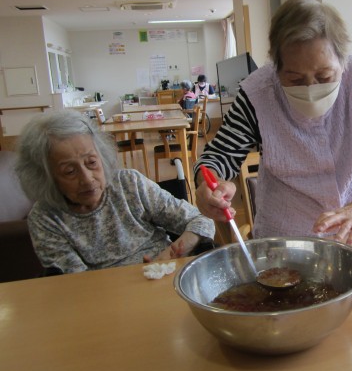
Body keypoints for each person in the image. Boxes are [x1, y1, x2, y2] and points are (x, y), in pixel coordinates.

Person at [194, 0, 352, 245]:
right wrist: (208, 185)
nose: (311, 88)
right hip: (287, 238)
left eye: (325, 76)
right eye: (295, 79)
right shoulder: (257, 93)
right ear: (276, 69)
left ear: (342, 61)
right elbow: (217, 157)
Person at [15, 110, 216, 274]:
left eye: (91, 162)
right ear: (45, 177)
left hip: (167, 276)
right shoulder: (45, 218)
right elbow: (77, 285)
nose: (87, 178)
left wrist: (176, 250)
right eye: (69, 171)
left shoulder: (129, 184)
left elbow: (202, 220)